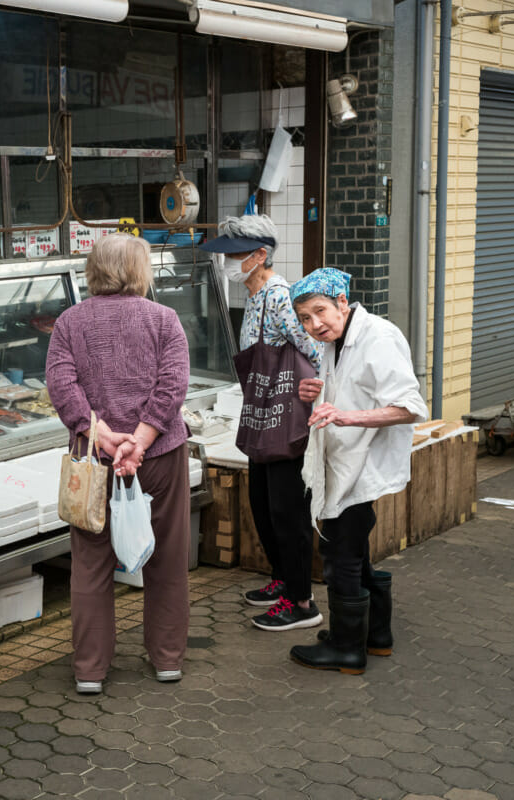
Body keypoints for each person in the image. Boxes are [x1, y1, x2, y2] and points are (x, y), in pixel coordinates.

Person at [46, 232, 191, 695]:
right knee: (166, 557)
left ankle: (90, 669)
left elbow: (61, 385)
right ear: (140, 271)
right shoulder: (164, 319)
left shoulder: (69, 322)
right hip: (161, 455)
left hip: (94, 459)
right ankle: (167, 659)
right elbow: (173, 384)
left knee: (91, 562)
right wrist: (143, 439)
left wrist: (102, 435)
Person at [287, 268, 427, 675]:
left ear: (343, 303)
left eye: (320, 312)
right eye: (305, 319)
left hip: (361, 463)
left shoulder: (377, 338)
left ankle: (348, 650)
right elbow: (352, 387)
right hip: (348, 462)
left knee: (340, 556)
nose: (315, 325)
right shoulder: (339, 339)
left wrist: (347, 417)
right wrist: (318, 390)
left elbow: (409, 407)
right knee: (352, 549)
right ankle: (374, 636)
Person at [200, 214, 323, 632]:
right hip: (261, 412)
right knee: (263, 506)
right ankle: (282, 580)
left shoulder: (280, 296)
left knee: (287, 511)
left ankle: (303, 602)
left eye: (235, 255)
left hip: (285, 419)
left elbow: (315, 349)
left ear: (260, 256)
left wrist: (316, 394)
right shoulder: (254, 297)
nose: (229, 263)